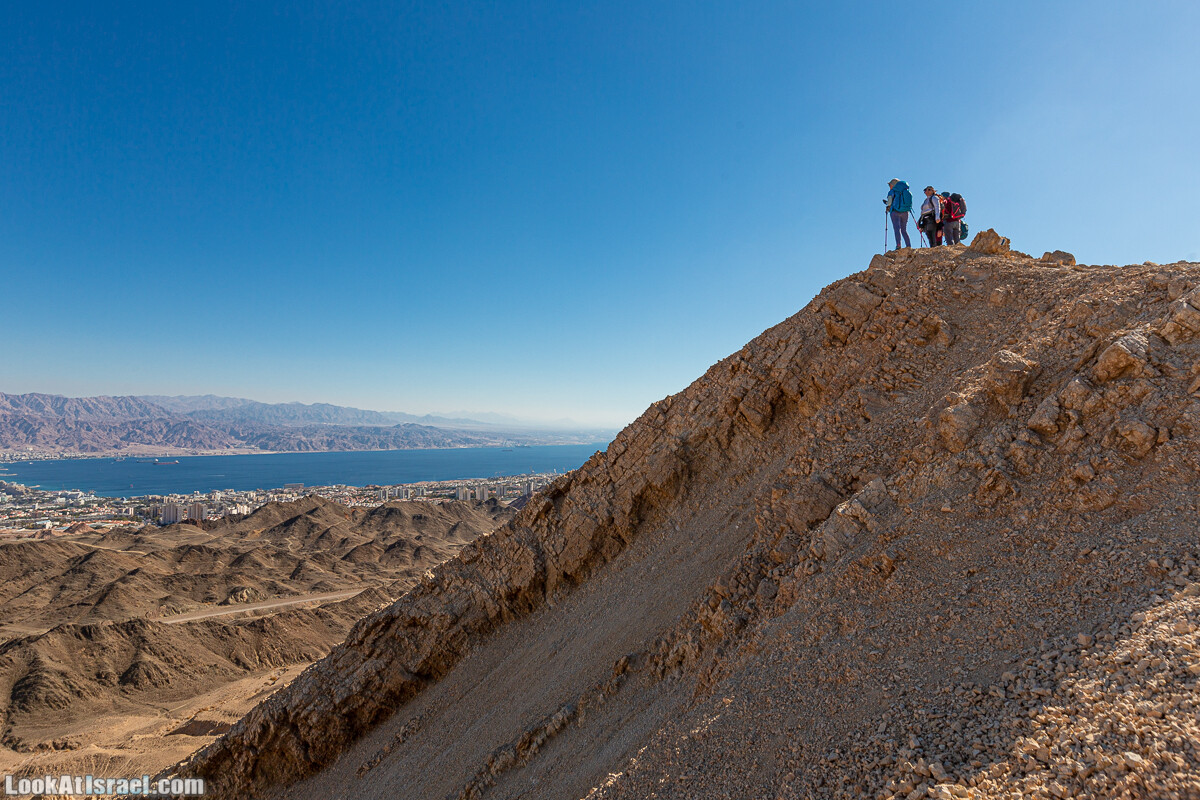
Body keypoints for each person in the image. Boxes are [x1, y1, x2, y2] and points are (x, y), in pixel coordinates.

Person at [884, 179, 912, 249]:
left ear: (893, 184)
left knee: (897, 229)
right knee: (904, 230)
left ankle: (898, 245)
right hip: (905, 212)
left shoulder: (892, 191)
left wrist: (886, 204)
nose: (889, 186)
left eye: (889, 185)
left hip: (895, 212)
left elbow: (889, 202)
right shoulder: (904, 191)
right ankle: (908, 246)